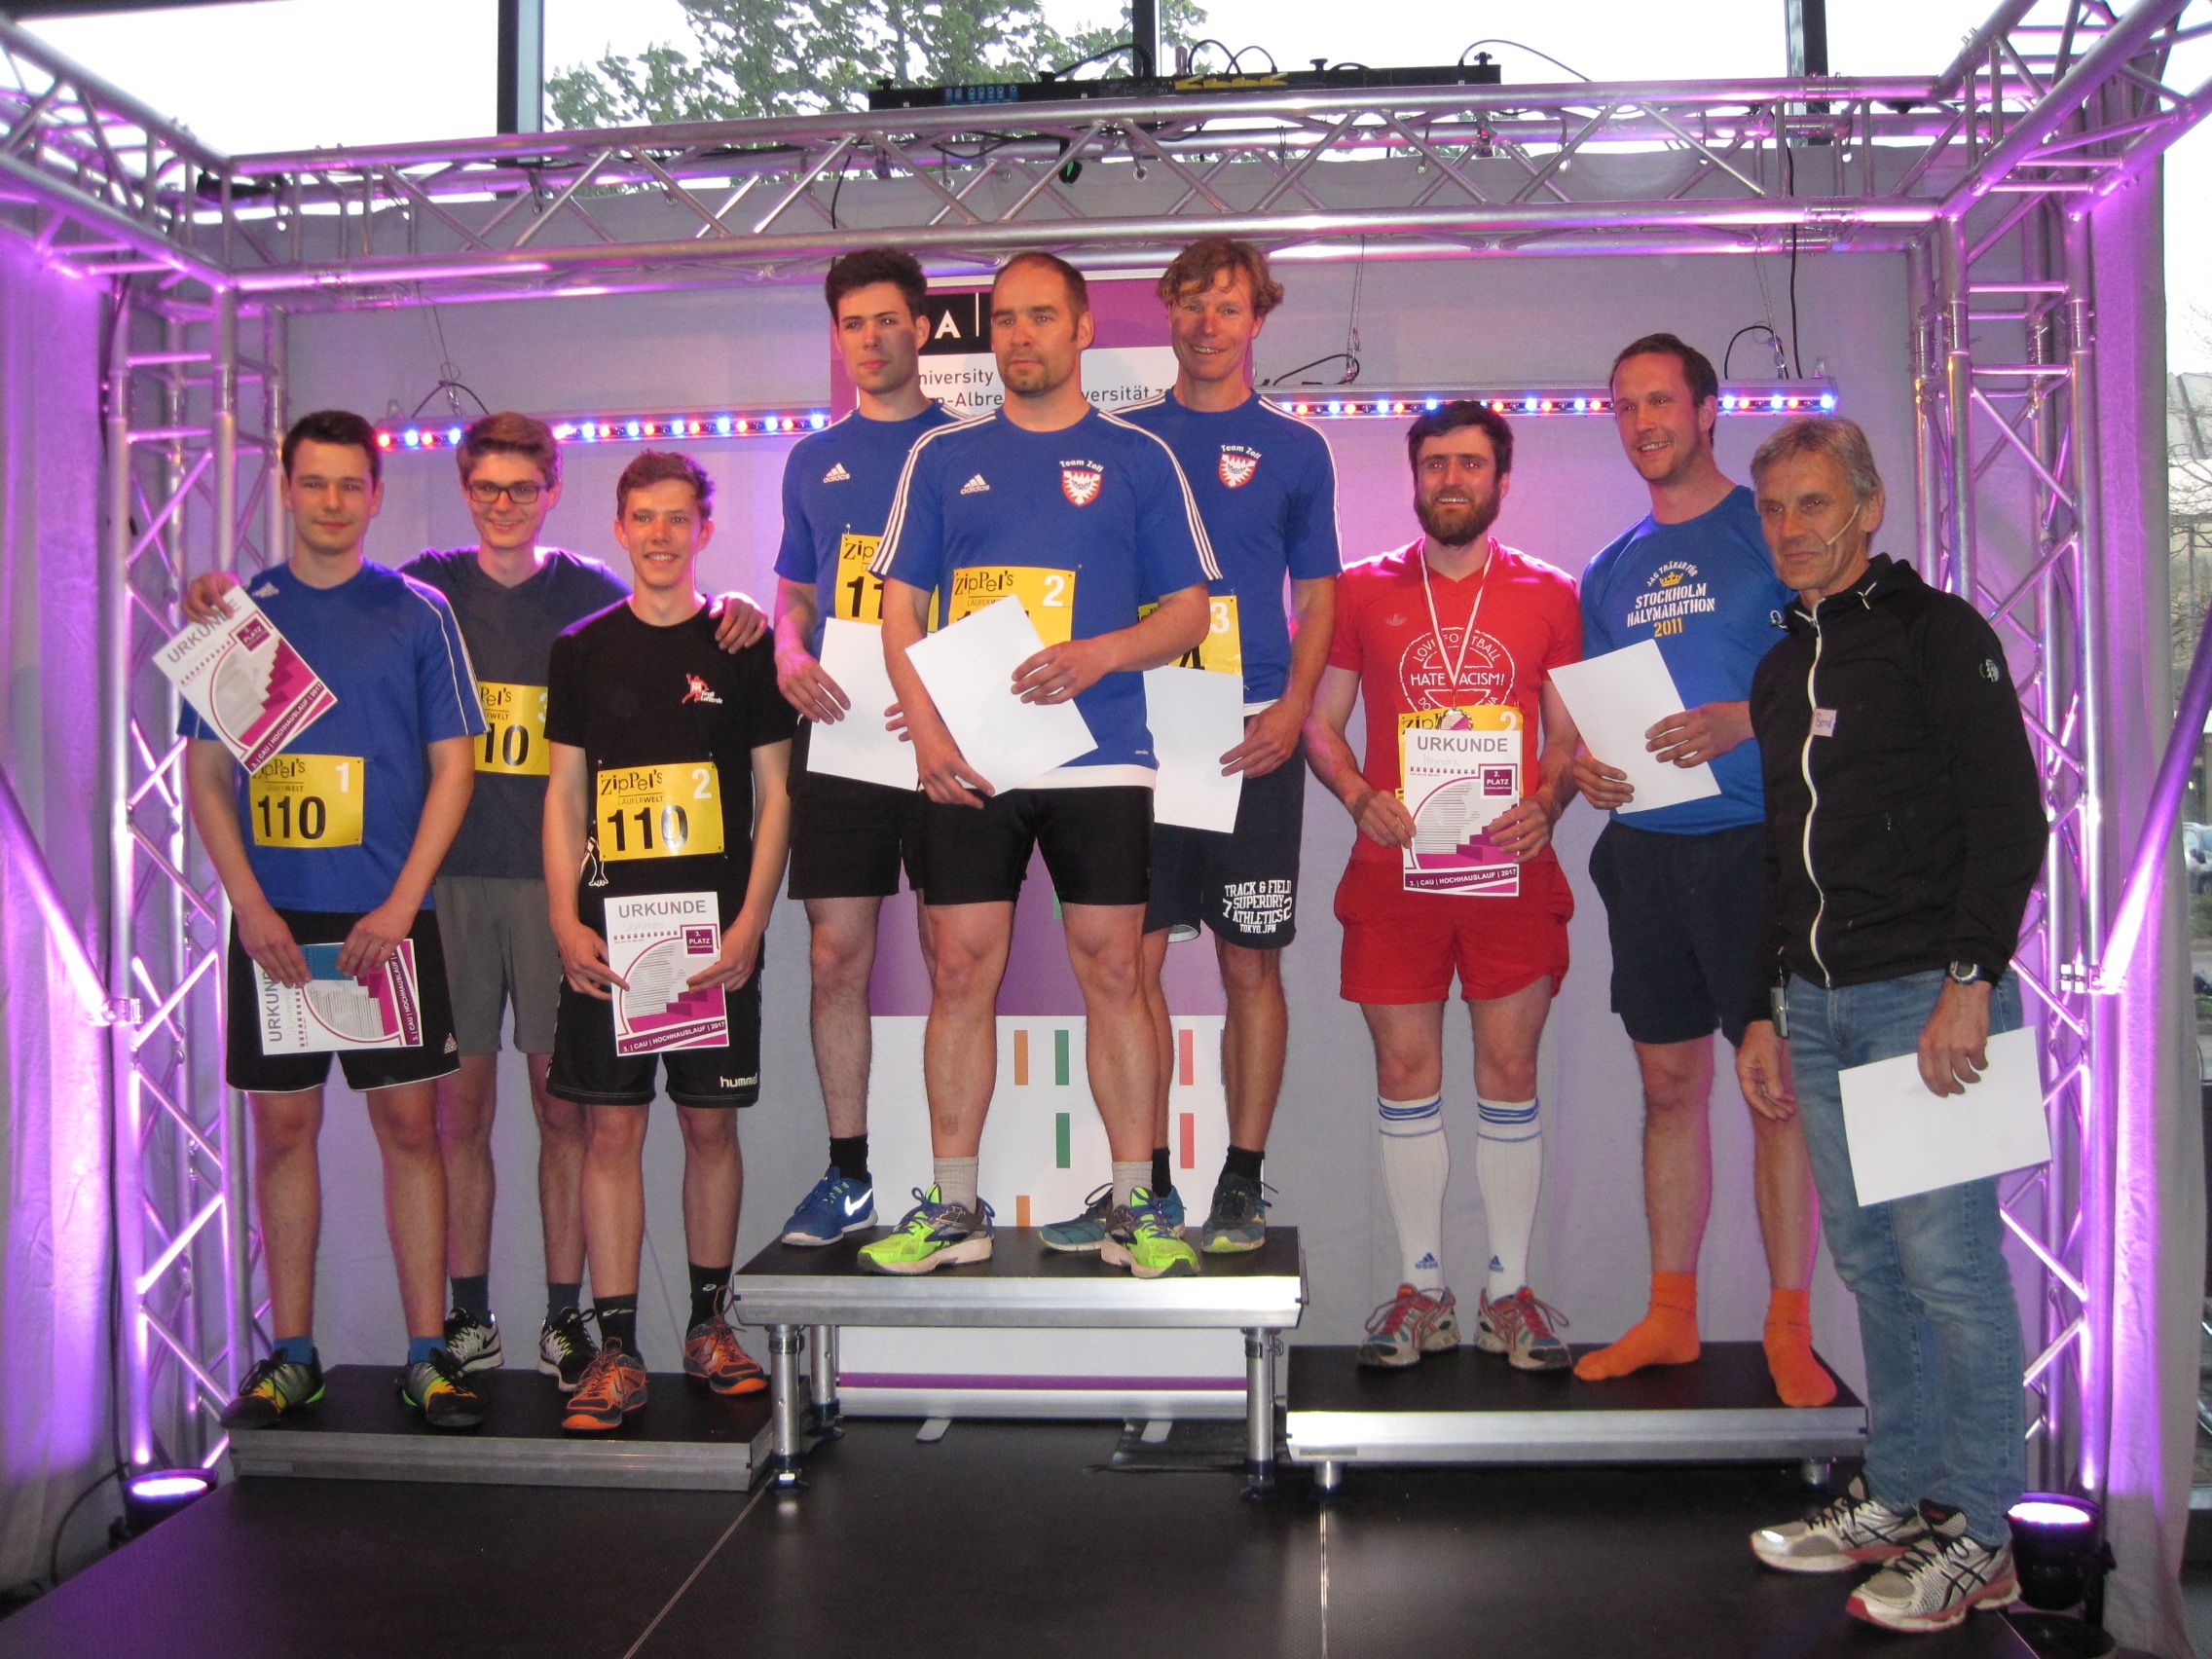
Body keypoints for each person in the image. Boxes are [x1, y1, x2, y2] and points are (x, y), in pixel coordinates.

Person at [183, 414, 765, 1396]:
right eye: (486, 489)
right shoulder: (419, 588)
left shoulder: (588, 592)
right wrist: (209, 593)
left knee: (563, 1110)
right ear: (460, 491)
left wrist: (742, 609)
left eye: (522, 489)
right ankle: (465, 1319)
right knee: (458, 1113)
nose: (504, 505)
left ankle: (565, 1320)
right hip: (440, 888)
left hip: (553, 891)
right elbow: (297, 619)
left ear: (553, 491)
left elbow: (673, 611)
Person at [1735, 417, 2043, 1635]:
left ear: (1866, 507)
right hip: (1815, 1006)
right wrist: (1761, 1009)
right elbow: (1779, 856)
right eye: (1774, 510)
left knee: (1950, 1272)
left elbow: (2008, 815)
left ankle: (1986, 1534)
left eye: (1813, 504)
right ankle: (1902, 1493)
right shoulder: (1781, 668)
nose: (1792, 529)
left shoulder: (1936, 634)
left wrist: (1970, 979)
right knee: (1868, 1265)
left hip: (1926, 997)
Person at [863, 249, 1217, 1278]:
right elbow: (899, 609)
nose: (1019, 336)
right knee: (958, 969)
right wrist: (928, 731)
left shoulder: (1140, 456)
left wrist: (1099, 654)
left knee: (1114, 969)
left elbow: (1190, 613)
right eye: (1005, 319)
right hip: (972, 757)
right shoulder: (941, 457)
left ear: (1082, 329)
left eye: (1041, 317)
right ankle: (954, 1209)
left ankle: (1137, 1208)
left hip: (1101, 756)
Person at [188, 409, 488, 1430]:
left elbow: (456, 768)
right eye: (312, 483)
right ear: (286, 489)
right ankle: (294, 1355)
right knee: (283, 1131)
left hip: (386, 922)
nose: (330, 501)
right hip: (276, 925)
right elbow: (206, 778)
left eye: (349, 484)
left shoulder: (418, 612)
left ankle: (427, 1355)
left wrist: (401, 906)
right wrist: (250, 907)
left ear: (375, 494)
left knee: (412, 1130)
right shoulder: (239, 618)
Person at [1042, 238, 1339, 1256]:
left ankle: (1241, 1182)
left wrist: (1294, 708)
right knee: (1132, 961)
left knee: (1250, 963)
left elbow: (1320, 596)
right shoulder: (1122, 440)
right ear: (1167, 311)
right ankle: (1148, 1185)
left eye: (1229, 306)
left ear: (1258, 319)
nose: (1208, 324)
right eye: (1193, 303)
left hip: (1253, 731)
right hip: (1145, 733)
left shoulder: (1297, 448)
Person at [1568, 335, 1835, 1408]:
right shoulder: (1609, 568)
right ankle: (1670, 1315)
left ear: (1707, 410)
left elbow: (1835, 677)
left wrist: (1747, 718)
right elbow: (1591, 712)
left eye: (1660, 402)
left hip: (1758, 850)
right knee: (1667, 1087)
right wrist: (1585, 767)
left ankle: (1787, 1327)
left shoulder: (1769, 528)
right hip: (1646, 854)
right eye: (1625, 406)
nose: (1643, 423)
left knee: (1775, 1093)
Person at [1305, 400, 1582, 1371]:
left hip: (1511, 865)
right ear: (1414, 477)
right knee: (1405, 1076)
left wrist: (1548, 801)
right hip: (1396, 868)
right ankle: (1421, 1289)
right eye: (1434, 464)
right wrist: (1356, 795)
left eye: (1468, 463)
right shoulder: (1360, 589)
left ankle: (1508, 1293)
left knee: (1509, 1073)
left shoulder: (1553, 593)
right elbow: (1319, 721)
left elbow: (1568, 733)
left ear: (1501, 478)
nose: (1450, 479)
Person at [542, 450, 793, 1432]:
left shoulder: (741, 646)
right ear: (618, 527)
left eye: (677, 517)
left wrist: (751, 922)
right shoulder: (581, 650)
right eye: (642, 517)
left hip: (711, 938)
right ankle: (616, 1351)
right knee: (610, 1132)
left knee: (708, 1129)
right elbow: (564, 793)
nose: (659, 534)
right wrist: (565, 918)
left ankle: (707, 1327)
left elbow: (775, 795)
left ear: (704, 528)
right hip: (612, 938)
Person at [769, 248, 954, 1246]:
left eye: (888, 320)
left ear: (921, 329)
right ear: (837, 337)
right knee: (836, 954)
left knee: (950, 955)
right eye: (853, 324)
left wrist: (939, 695)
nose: (871, 339)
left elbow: (994, 592)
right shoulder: (813, 459)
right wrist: (787, 650)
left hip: (939, 734)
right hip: (841, 726)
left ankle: (950, 1186)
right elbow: (794, 593)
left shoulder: (967, 447)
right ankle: (849, 1175)